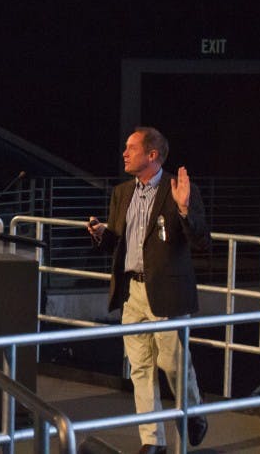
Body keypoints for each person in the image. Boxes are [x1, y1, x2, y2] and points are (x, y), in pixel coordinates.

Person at [86, 127, 209, 453]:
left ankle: (195, 410)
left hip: (167, 294)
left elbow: (201, 241)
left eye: (131, 148)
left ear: (152, 154)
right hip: (132, 292)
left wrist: (183, 210)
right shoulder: (121, 192)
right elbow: (116, 241)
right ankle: (153, 441)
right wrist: (101, 233)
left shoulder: (180, 190)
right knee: (139, 367)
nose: (124, 154)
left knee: (172, 363)